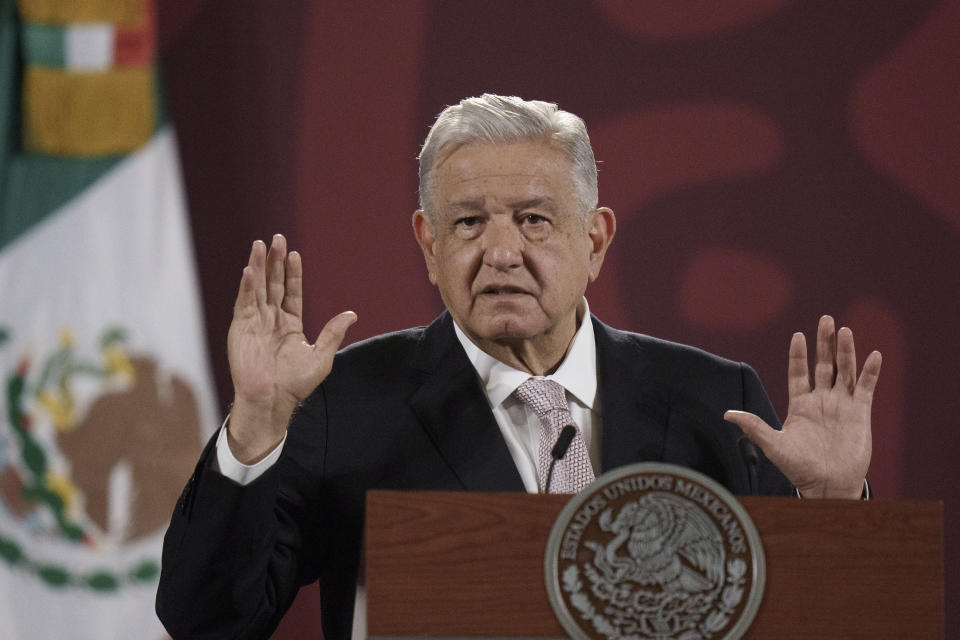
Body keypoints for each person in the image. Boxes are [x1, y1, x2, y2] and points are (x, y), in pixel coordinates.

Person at [156, 94, 881, 639]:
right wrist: (254, 428)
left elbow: (812, 624)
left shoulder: (715, 402)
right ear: (428, 243)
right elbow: (208, 621)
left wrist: (835, 511)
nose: (501, 252)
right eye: (470, 222)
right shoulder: (338, 403)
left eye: (534, 219)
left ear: (595, 240)